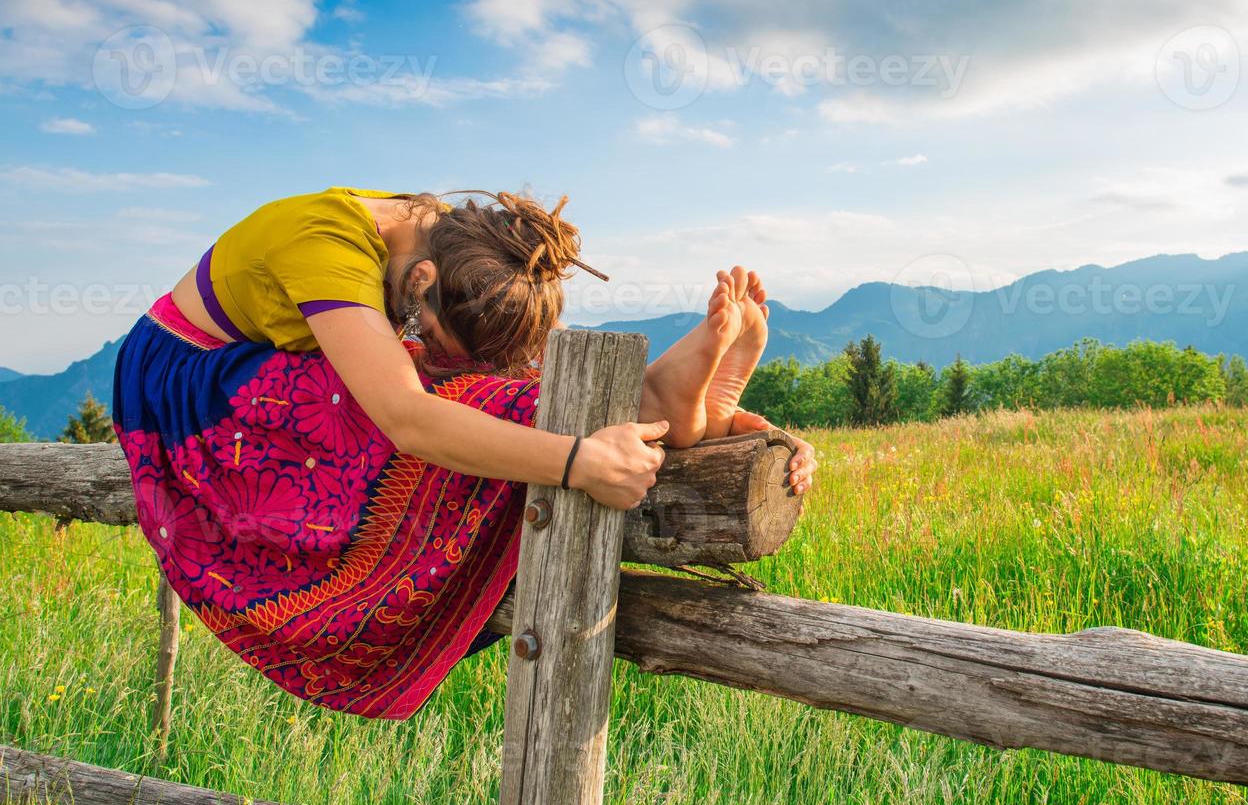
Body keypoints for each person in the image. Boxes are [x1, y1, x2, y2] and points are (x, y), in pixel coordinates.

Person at [112, 187, 816, 719]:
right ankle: (657, 400)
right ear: (420, 285)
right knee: (441, 399)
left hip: (275, 363)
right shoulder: (326, 243)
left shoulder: (454, 249)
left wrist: (758, 438)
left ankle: (667, 404)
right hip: (193, 389)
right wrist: (576, 462)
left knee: (484, 381)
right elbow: (407, 421)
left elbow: (478, 361)